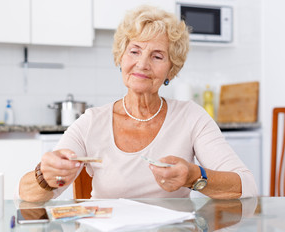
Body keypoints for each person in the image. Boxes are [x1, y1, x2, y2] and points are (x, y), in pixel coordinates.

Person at [19, 5, 257, 202]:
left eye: (157, 56)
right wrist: (45, 174)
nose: (142, 64)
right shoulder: (92, 122)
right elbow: (27, 194)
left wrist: (194, 176)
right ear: (120, 58)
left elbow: (246, 186)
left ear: (171, 71)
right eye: (134, 51)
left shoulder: (191, 117)